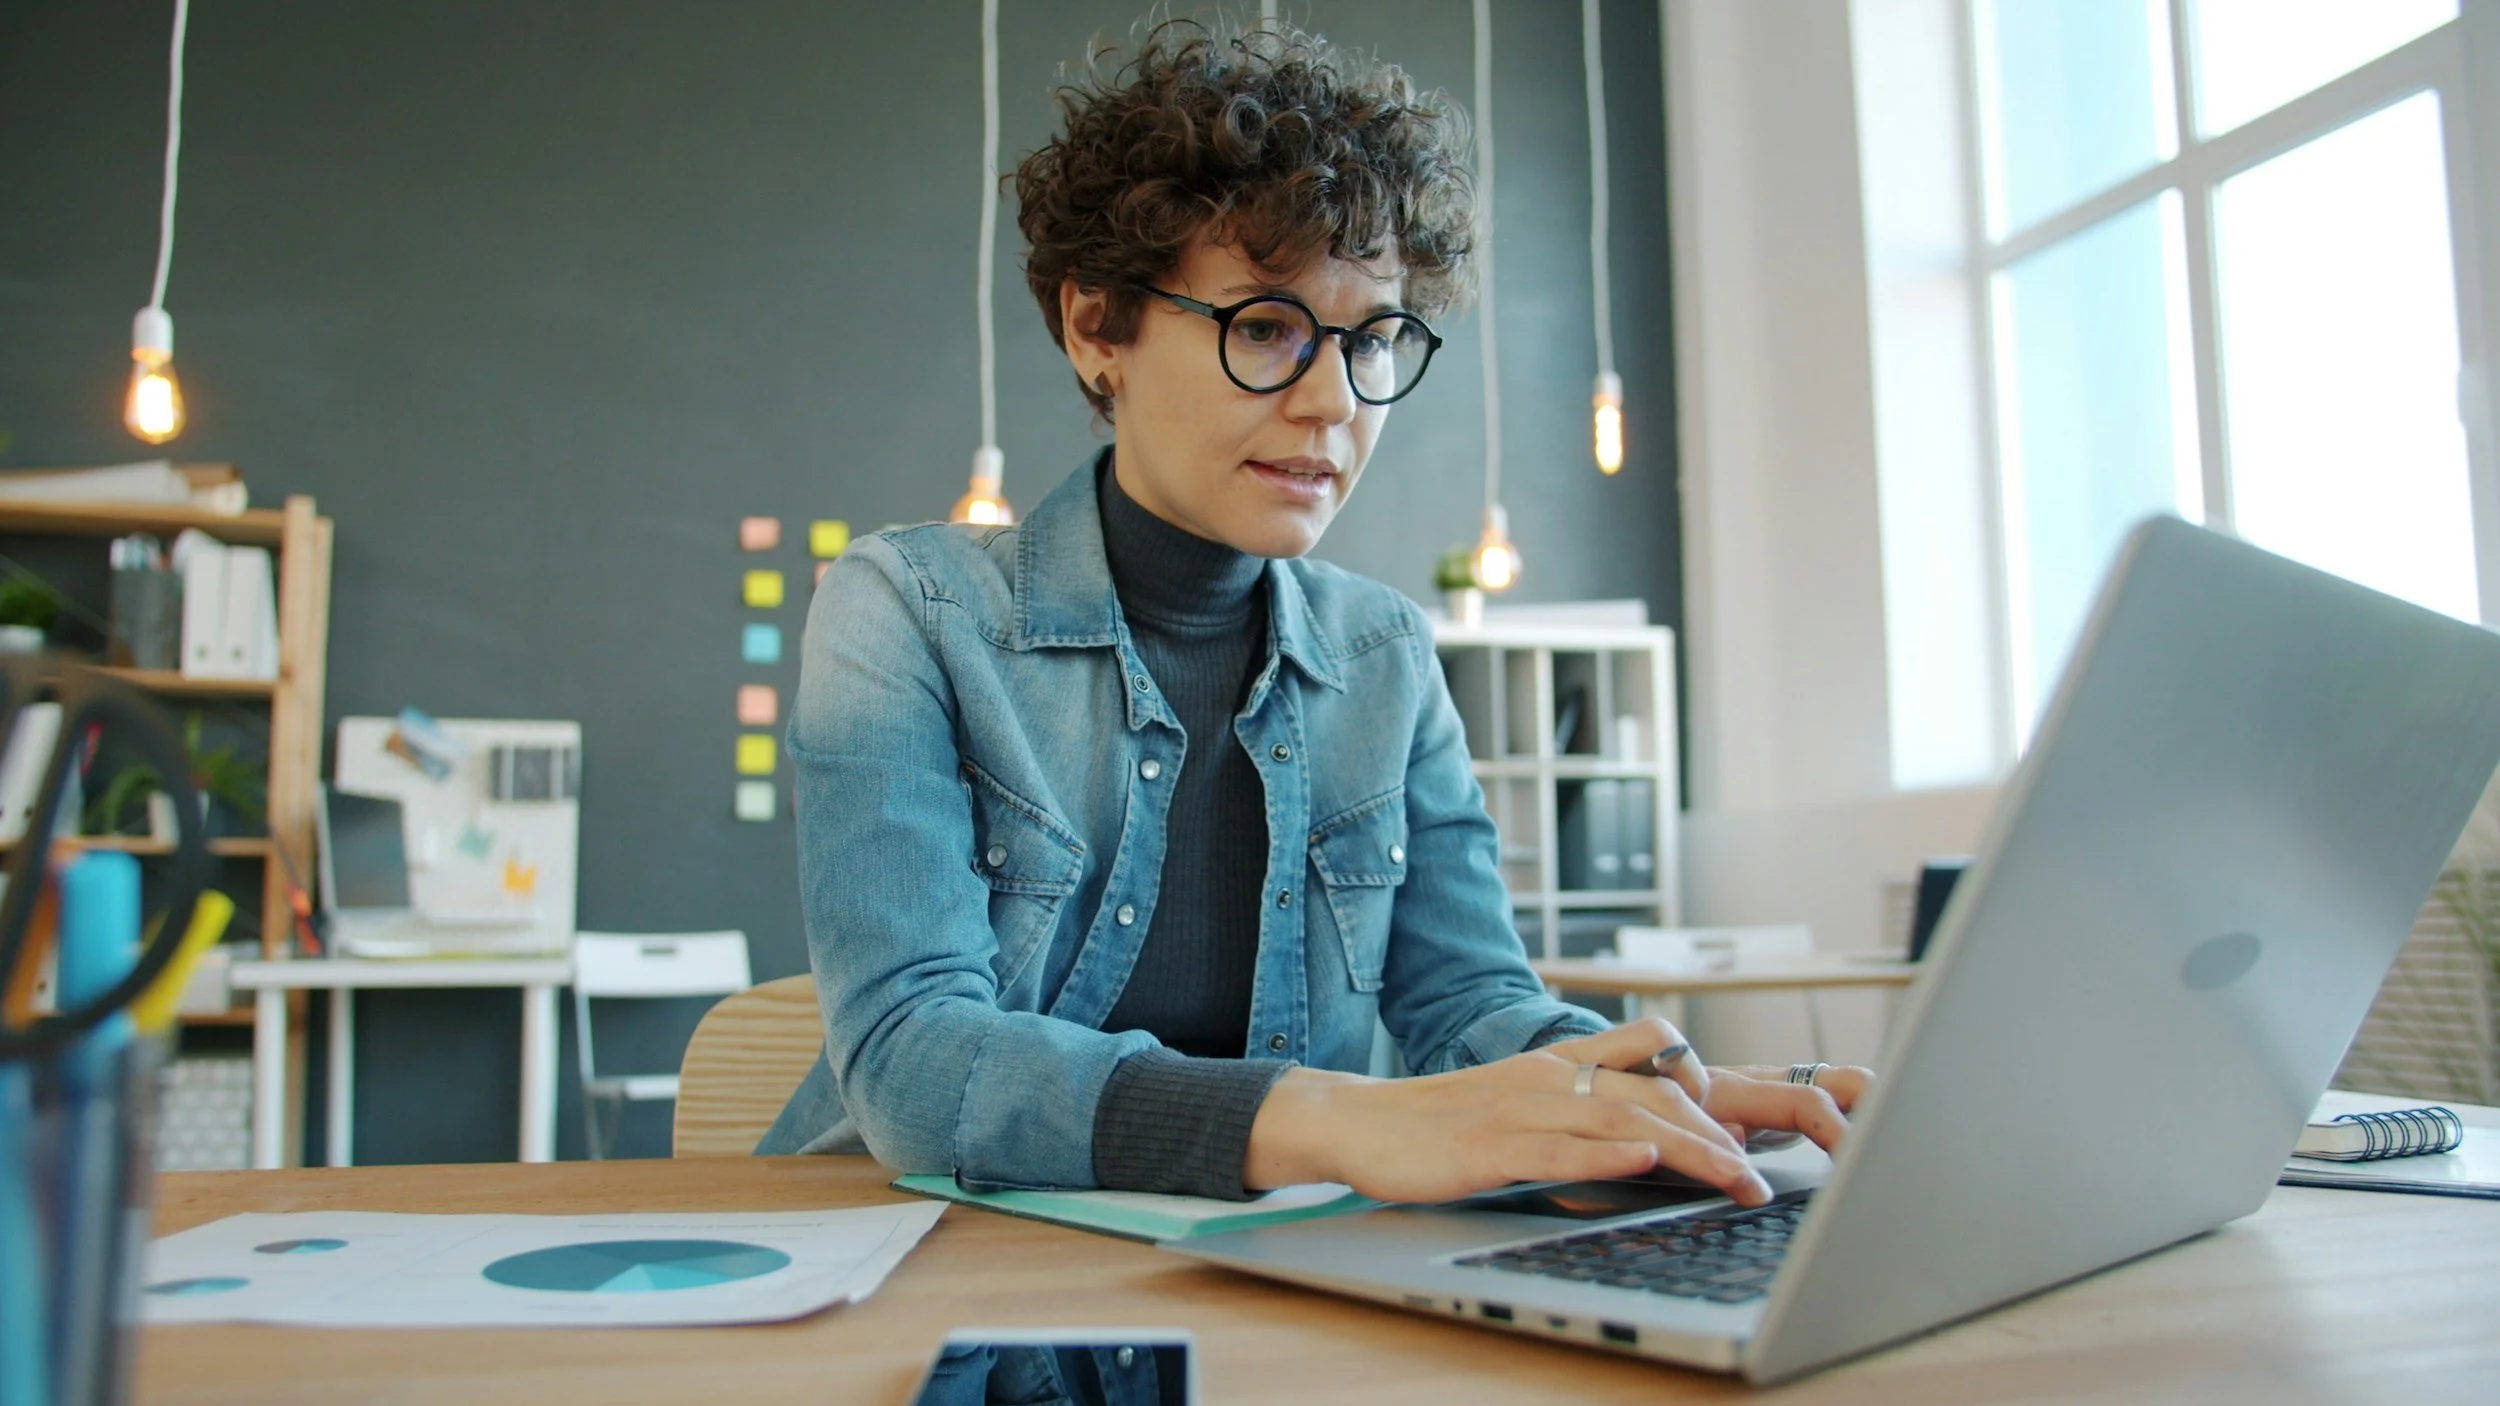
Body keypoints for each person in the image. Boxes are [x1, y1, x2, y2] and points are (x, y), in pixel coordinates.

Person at [757, 16, 1869, 1207]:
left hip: (1270, 1276)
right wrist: (1339, 1121)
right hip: (910, 1263)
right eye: (1269, 328)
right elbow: (914, 1058)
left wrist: (1631, 1096)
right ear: (1097, 328)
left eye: (1374, 337)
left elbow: (1466, 1005)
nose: (1334, 400)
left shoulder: (1383, 653)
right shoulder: (907, 612)